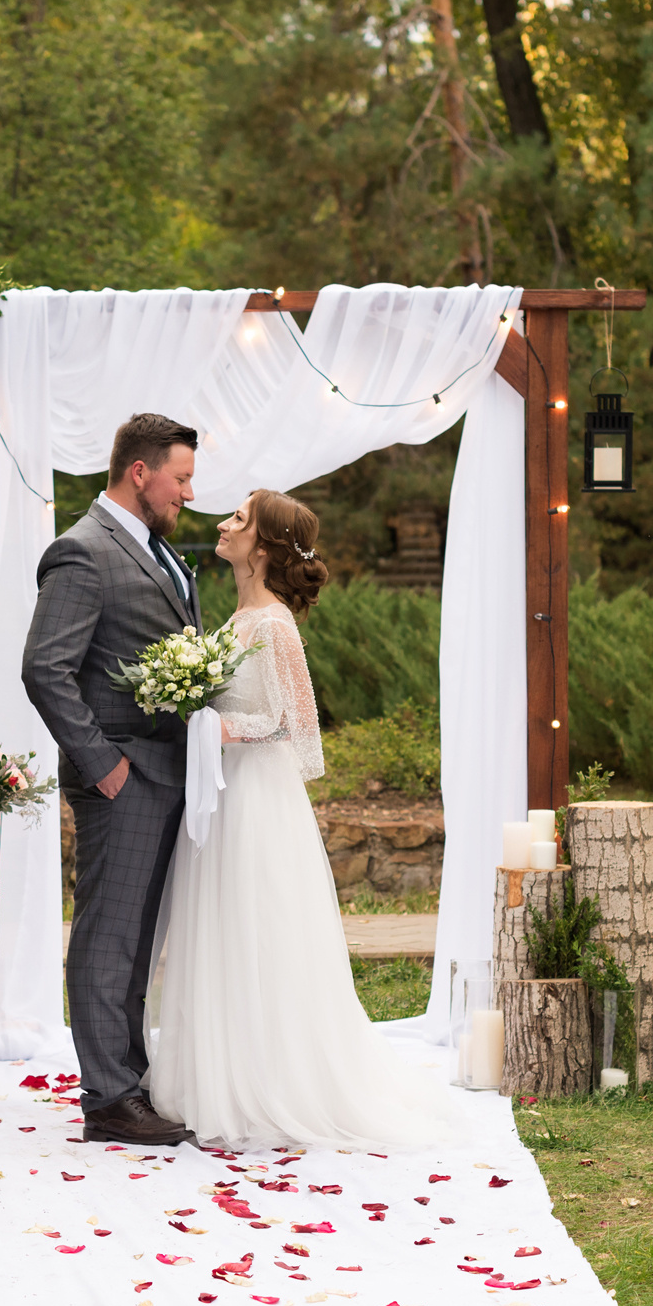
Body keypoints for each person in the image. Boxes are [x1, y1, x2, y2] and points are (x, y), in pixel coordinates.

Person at [144, 489, 460, 1151]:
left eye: (238, 519)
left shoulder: (274, 625)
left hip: (257, 800)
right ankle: (218, 1070)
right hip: (225, 795)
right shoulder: (237, 617)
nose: (223, 526)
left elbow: (294, 725)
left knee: (261, 928)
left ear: (260, 548)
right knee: (223, 927)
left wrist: (216, 726)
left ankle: (271, 1080)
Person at [20, 413, 205, 1146]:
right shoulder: (82, 552)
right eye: (181, 478)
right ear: (141, 472)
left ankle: (129, 1078)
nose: (188, 492)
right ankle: (108, 1100)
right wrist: (104, 766)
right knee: (107, 936)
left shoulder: (158, 551)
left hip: (167, 774)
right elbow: (45, 668)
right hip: (122, 780)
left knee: (137, 938)